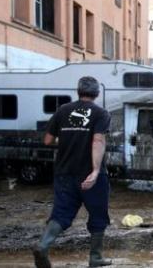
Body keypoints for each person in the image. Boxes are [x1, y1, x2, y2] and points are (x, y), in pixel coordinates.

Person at [33, 76, 112, 268]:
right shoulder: (100, 113)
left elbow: (47, 140)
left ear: (78, 91)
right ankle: (95, 257)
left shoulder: (63, 110)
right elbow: (98, 141)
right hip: (91, 175)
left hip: (64, 173)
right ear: (97, 93)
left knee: (61, 213)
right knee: (98, 214)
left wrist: (68, 138)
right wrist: (94, 171)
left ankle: (43, 246)